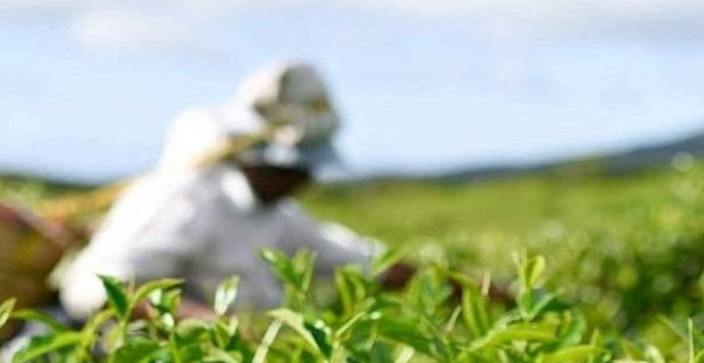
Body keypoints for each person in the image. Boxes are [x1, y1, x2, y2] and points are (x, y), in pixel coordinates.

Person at [56, 60, 426, 323]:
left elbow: (357, 259)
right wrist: (211, 326)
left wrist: (460, 287)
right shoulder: (184, 199)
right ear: (255, 158)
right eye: (292, 170)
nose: (303, 181)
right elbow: (96, 289)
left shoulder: (274, 212)